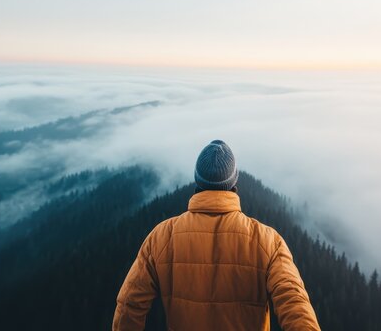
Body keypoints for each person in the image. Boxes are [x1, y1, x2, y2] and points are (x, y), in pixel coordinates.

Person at [113, 140, 320, 330]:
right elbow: (294, 302)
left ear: (197, 181)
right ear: (234, 183)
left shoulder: (162, 237)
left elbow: (129, 304)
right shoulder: (268, 241)